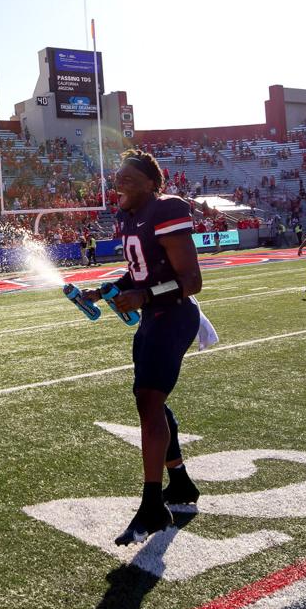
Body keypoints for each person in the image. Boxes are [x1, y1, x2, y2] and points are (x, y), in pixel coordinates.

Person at [79, 150, 204, 547]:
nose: (120, 185)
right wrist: (106, 290)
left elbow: (191, 280)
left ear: (152, 183)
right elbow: (137, 272)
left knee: (149, 402)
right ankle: (180, 483)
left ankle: (152, 503)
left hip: (175, 315)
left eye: (130, 179)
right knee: (153, 403)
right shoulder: (129, 217)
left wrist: (143, 297)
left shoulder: (166, 209)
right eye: (118, 179)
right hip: (155, 317)